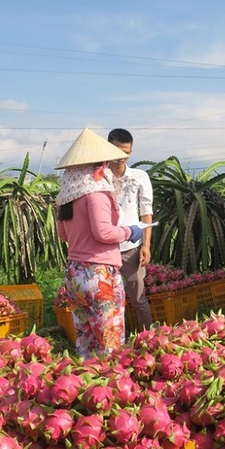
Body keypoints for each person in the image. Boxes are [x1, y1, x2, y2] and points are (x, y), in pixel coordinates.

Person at [54, 128, 143, 359]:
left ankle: (86, 383)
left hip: (74, 274)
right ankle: (110, 387)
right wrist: (129, 231)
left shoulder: (66, 196)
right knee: (110, 344)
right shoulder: (97, 193)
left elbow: (64, 235)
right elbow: (103, 232)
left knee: (86, 340)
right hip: (99, 275)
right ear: (99, 165)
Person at [107, 128, 154, 331]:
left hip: (131, 248)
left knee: (138, 298)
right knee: (107, 302)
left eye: (126, 152)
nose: (122, 157)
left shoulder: (139, 177)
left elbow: (146, 212)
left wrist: (146, 245)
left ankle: (149, 338)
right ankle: (113, 344)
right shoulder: (98, 178)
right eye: (118, 151)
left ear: (131, 151)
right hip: (105, 250)